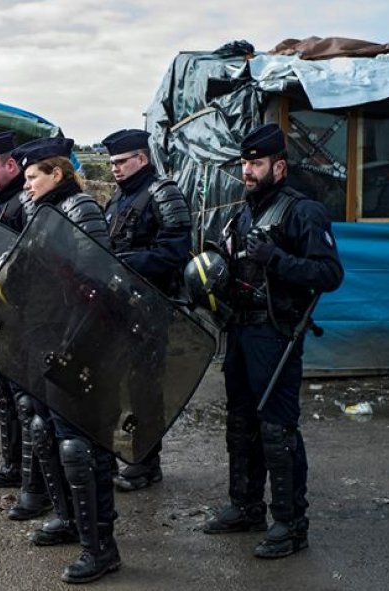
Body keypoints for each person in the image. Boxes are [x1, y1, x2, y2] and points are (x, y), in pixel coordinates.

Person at [202, 123, 343, 559]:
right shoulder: (241, 212)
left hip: (277, 334)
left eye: (256, 163)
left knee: (277, 430)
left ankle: (290, 523)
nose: (248, 170)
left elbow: (329, 275)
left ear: (278, 166)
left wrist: (276, 259)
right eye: (244, 162)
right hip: (240, 330)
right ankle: (245, 507)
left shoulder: (303, 212)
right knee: (240, 424)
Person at [11, 137, 120, 584]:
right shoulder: (42, 212)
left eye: (33, 175)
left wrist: (77, 340)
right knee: (47, 430)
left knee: (80, 444)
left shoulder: (82, 210)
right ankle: (71, 520)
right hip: (45, 338)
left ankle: (101, 548)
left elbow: (100, 279)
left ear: (57, 173)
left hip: (79, 342)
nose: (28, 184)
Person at [100, 129, 192, 492]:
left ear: (142, 158)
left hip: (152, 304)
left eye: (121, 162)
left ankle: (145, 462)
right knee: (114, 384)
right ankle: (118, 456)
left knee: (144, 388)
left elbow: (175, 252)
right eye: (111, 164)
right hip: (119, 306)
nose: (115, 170)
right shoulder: (118, 199)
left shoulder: (162, 194)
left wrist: (128, 261)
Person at [0, 131, 53, 519]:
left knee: (27, 401)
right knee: (7, 392)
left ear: (11, 165)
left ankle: (36, 485)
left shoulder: (24, 203)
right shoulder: (1, 203)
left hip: (27, 317)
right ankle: (14, 465)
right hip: (6, 314)